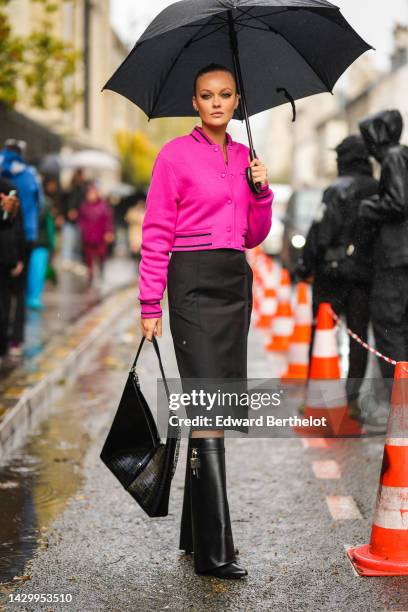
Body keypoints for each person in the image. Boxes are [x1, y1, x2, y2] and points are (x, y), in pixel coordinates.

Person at [137, 63, 273, 579]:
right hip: (190, 283)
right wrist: (151, 303)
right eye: (206, 95)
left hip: (233, 281)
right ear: (194, 102)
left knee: (212, 402)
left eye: (225, 95)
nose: (216, 103)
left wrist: (260, 191)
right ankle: (216, 553)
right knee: (208, 401)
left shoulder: (245, 157)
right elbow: (155, 233)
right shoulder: (173, 156)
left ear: (237, 100)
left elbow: (254, 234)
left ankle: (195, 537)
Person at [296, 135, 378, 414]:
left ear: (343, 160)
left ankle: (318, 397)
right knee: (359, 336)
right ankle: (352, 399)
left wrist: (304, 267)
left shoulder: (336, 189)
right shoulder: (377, 188)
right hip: (364, 275)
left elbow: (320, 232)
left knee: (322, 334)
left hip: (331, 274)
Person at [359, 109, 408, 390]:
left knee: (390, 326)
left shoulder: (393, 157)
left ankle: (399, 399)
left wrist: (367, 206)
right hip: (399, 257)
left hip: (394, 259)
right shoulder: (402, 155)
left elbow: (398, 202)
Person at [0, 139, 41, 356]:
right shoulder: (29, 175)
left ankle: (3, 342)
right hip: (25, 236)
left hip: (4, 237)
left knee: (3, 291)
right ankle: (16, 340)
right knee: (20, 290)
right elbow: (38, 204)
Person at [0, 180, 25, 366]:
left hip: (5, 256)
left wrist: (18, 257)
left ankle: (2, 348)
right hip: (7, 255)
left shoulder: (9, 188)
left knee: (4, 302)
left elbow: (14, 224)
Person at [26, 178, 57, 310]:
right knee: (37, 272)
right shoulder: (45, 203)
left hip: (39, 242)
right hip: (40, 242)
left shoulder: (33, 202)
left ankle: (33, 297)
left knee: (36, 271)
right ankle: (33, 298)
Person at [78, 182, 114, 284]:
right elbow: (81, 220)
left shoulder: (103, 206)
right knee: (88, 257)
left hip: (100, 236)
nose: (90, 195)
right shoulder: (84, 206)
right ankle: (90, 275)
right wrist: (82, 229)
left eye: (92, 193)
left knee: (101, 255)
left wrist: (109, 232)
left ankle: (101, 270)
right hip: (88, 236)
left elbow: (108, 220)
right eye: (89, 193)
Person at [60, 168, 87, 267]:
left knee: (76, 241)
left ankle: (74, 259)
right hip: (70, 220)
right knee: (69, 239)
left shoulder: (82, 188)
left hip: (78, 220)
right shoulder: (70, 188)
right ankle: (68, 258)